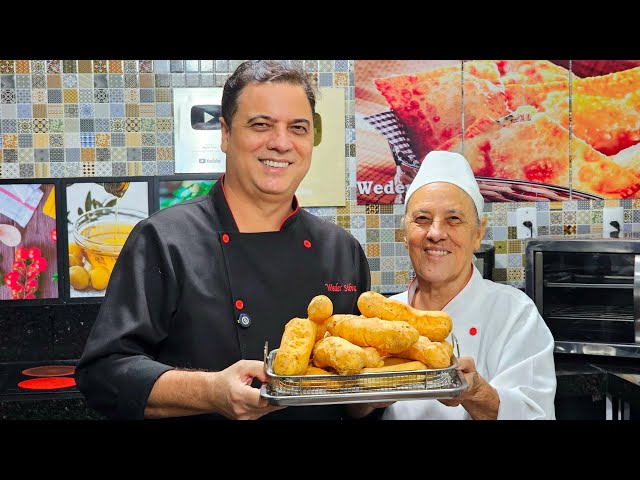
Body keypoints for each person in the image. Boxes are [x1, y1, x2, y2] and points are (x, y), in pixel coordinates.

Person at [75, 60, 371, 420]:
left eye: (298, 128)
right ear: (226, 134)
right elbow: (103, 374)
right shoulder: (165, 240)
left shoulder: (342, 250)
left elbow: (356, 397)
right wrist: (211, 392)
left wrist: (387, 387)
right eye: (261, 125)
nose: (281, 143)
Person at [352, 150, 557, 420]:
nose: (436, 233)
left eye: (454, 219)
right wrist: (367, 401)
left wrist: (475, 393)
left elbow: (536, 414)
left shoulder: (514, 314)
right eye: (422, 219)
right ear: (404, 234)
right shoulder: (382, 320)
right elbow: (353, 411)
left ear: (478, 234)